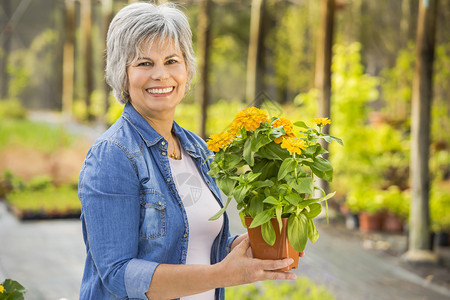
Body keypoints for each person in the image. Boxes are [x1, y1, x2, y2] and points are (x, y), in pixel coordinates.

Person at [78, 2, 302, 299]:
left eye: (171, 61)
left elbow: (193, 244)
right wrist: (222, 274)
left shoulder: (196, 147)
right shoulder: (113, 155)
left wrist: (252, 245)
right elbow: (118, 274)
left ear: (187, 69)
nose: (161, 75)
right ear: (123, 73)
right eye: (144, 63)